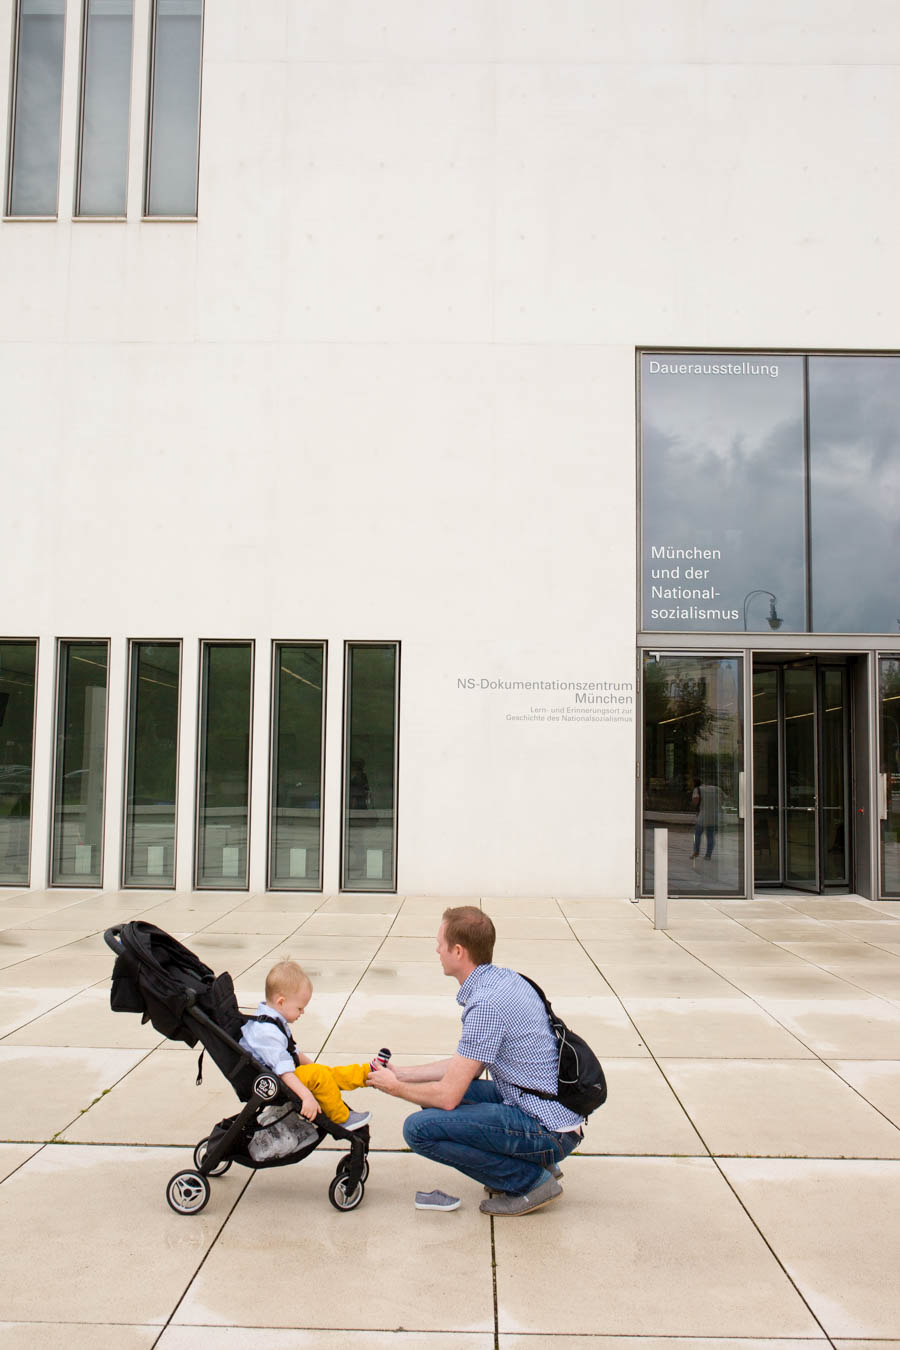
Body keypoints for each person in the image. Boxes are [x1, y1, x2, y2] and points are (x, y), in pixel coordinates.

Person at [366, 906, 584, 1216]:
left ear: (458, 951)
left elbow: (448, 1095)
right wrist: (400, 1074)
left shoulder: (486, 1005)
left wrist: (393, 1088)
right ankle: (540, 1162)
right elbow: (467, 1066)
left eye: (440, 943)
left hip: (548, 1129)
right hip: (545, 1108)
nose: (436, 949)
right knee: (434, 1100)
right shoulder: (505, 980)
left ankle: (531, 1180)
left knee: (419, 1130)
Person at [239, 959, 372, 1130]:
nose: (302, 1012)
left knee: (322, 1073)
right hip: (275, 1082)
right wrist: (307, 1096)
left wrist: (318, 1069)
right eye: (299, 1008)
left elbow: (294, 1053)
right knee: (318, 1075)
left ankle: (366, 1074)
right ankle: (341, 1119)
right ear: (281, 1002)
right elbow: (283, 1071)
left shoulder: (272, 1020)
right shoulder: (267, 1033)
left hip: (284, 1075)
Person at [691, 778, 720, 860]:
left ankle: (696, 852)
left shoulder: (697, 790)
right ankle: (708, 855)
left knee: (697, 834)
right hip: (714, 816)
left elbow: (695, 801)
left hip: (702, 816)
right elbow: (724, 798)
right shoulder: (716, 789)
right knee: (710, 836)